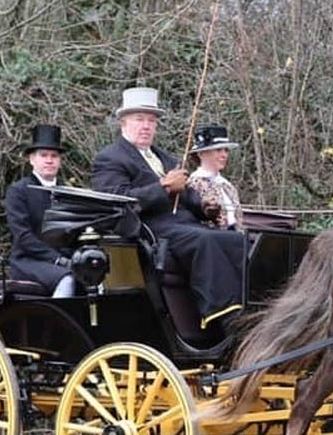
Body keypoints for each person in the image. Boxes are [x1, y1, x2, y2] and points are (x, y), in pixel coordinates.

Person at [91, 87, 244, 332]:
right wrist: (162, 186)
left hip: (183, 227)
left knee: (235, 240)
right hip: (150, 231)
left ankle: (245, 308)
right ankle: (224, 318)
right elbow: (116, 201)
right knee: (206, 241)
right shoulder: (110, 158)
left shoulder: (166, 158)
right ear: (123, 123)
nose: (146, 126)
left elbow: (187, 196)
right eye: (139, 119)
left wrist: (205, 207)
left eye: (151, 121)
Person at [4, 124, 76, 297]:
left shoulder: (70, 193)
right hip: (28, 262)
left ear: (60, 161)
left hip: (63, 261)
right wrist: (57, 259)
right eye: (43, 155)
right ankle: (60, 324)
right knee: (68, 278)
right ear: (32, 159)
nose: (49, 160)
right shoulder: (19, 191)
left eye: (54, 156)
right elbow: (23, 236)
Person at [187, 125, 243, 230]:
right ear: (201, 153)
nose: (224, 155)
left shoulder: (227, 186)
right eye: (218, 150)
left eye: (226, 150)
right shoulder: (193, 185)